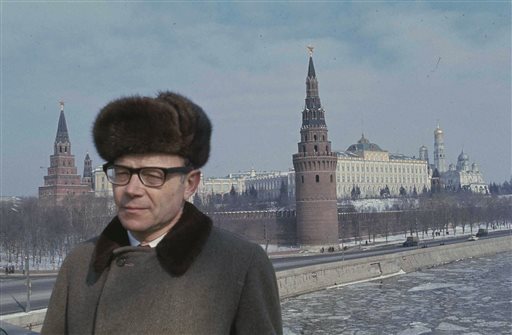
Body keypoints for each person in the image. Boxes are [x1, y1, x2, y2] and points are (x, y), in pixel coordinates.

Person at [42, 91, 282, 334]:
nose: (132, 189)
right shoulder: (80, 264)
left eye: (152, 175)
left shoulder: (239, 264)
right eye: (122, 172)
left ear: (189, 184)